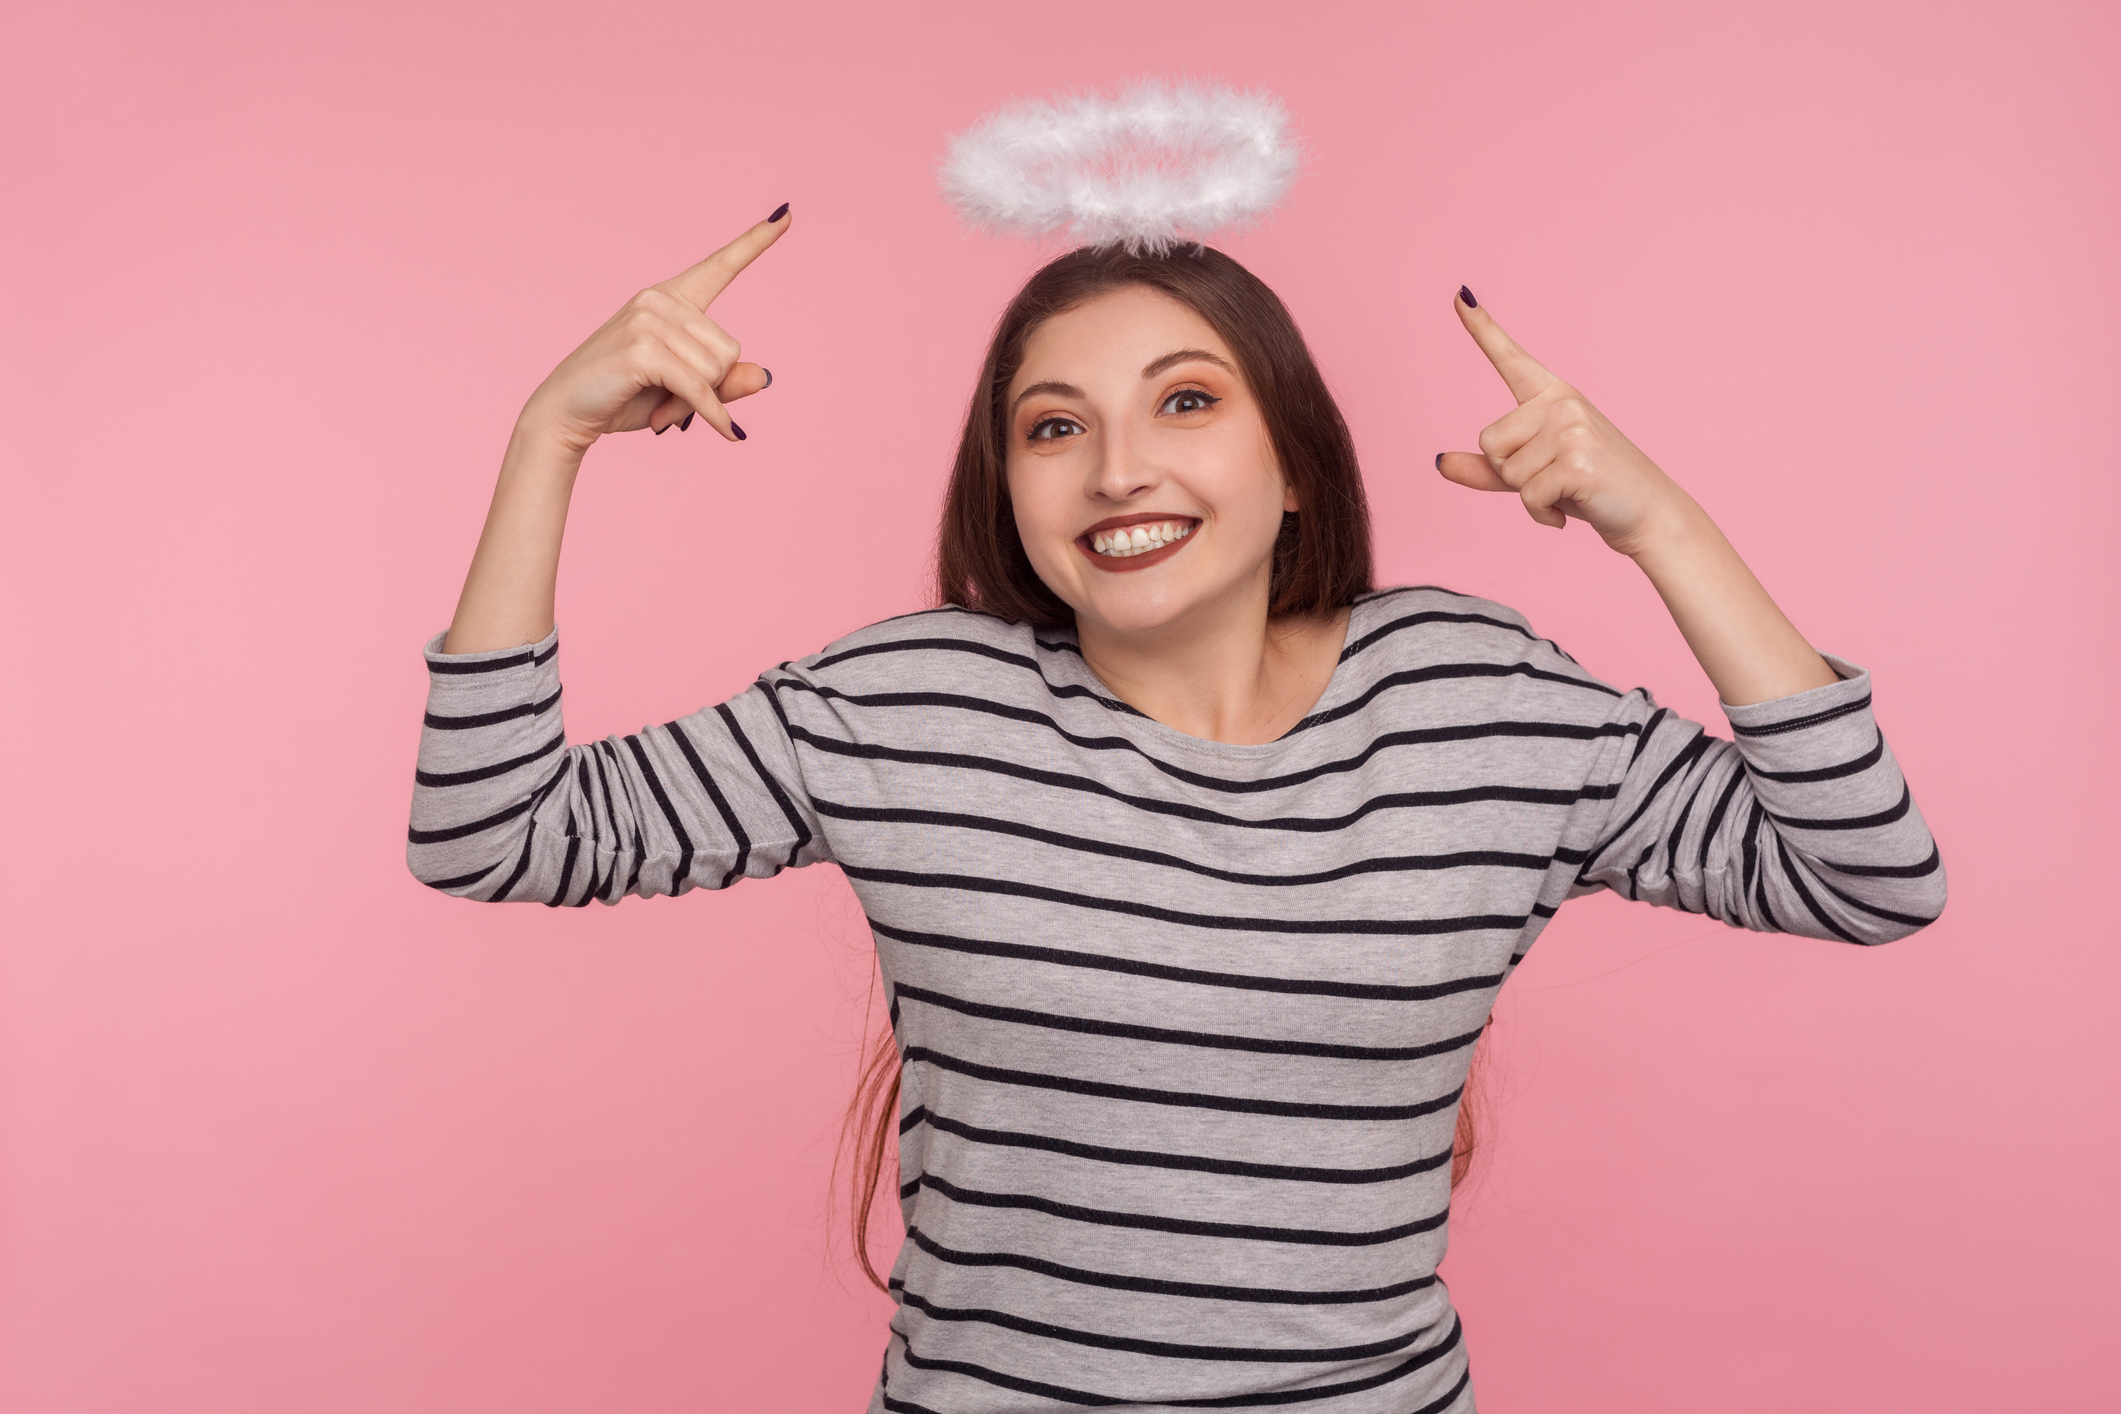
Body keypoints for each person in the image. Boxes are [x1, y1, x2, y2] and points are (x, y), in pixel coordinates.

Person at [408, 207, 1944, 1414]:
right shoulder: (909, 706)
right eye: (1053, 424)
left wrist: (1656, 521)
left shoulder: (1473, 698)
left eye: (1186, 400)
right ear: (1005, 483)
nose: (1116, 467)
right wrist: (547, 439)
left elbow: (1868, 870)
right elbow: (493, 829)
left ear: (1292, 463)